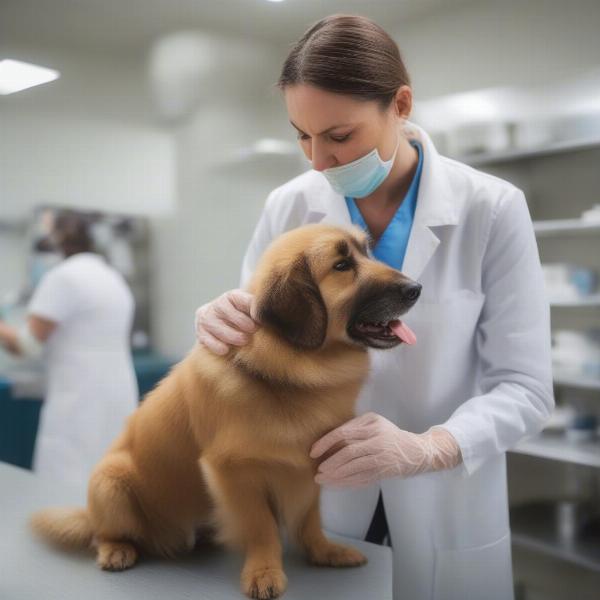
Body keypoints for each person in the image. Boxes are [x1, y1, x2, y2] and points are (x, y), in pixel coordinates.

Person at [194, 15, 553, 600]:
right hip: (318, 497)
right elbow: (258, 347)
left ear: (401, 104)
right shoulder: (290, 206)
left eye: (339, 137)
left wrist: (427, 448)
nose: (318, 162)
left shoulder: (492, 208)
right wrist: (219, 324)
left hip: (447, 498)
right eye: (302, 136)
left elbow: (526, 389)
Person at [0, 211, 138, 487]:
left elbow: (27, 346)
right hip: (117, 394)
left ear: (55, 241)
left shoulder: (62, 277)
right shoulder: (111, 276)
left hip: (79, 401)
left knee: (67, 488)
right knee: (113, 483)